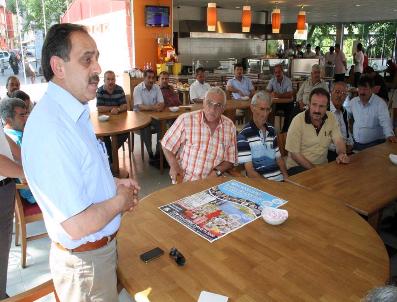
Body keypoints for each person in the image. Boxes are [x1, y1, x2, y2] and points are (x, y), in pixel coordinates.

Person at [22, 23, 140, 302]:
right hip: (85, 267)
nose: (98, 68)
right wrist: (121, 199)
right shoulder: (52, 129)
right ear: (58, 66)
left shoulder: (73, 113)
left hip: (96, 256)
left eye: (97, 58)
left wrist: (113, 183)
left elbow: (82, 175)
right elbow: (77, 223)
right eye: (87, 59)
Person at [161, 87, 237, 182]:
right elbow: (166, 144)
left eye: (218, 105)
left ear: (224, 108)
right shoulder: (186, 120)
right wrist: (174, 165)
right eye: (209, 103)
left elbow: (230, 159)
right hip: (187, 181)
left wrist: (216, 172)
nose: (213, 109)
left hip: (213, 182)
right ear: (203, 103)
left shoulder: (229, 126)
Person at [286, 87, 349, 175]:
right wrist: (315, 170)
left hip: (322, 167)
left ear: (327, 107)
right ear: (309, 104)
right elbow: (294, 154)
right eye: (314, 105)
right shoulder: (298, 121)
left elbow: (338, 140)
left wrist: (342, 154)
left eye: (321, 106)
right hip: (298, 168)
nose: (317, 110)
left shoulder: (331, 117)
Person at [237, 91, 288, 181]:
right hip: (262, 185)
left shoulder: (272, 130)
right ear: (252, 108)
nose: (265, 114)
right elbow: (250, 171)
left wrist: (286, 178)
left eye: (268, 109)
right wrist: (271, 186)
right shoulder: (243, 135)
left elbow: (279, 159)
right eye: (262, 109)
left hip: (280, 181)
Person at [0, 98, 36, 204]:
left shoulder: (9, 136)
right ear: (8, 119)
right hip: (31, 192)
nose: (26, 119)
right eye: (21, 115)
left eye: (26, 114)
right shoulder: (15, 138)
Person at [349, 75, 396, 150]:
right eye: (360, 89)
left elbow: (385, 122)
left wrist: (389, 135)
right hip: (356, 144)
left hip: (375, 144)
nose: (361, 92)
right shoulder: (353, 102)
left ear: (372, 89)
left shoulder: (380, 103)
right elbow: (346, 115)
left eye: (365, 89)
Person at [96, 70, 128, 164]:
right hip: (104, 122)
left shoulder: (119, 89)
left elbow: (125, 106)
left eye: (112, 79)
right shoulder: (100, 90)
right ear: (104, 80)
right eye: (108, 79)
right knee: (104, 136)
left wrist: (118, 110)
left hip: (119, 121)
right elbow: (100, 108)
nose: (111, 82)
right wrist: (113, 108)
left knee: (125, 133)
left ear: (115, 80)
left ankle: (111, 154)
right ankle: (112, 158)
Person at [133, 69, 164, 162]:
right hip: (140, 116)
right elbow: (140, 107)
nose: (151, 80)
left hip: (154, 116)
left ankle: (158, 152)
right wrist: (154, 107)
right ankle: (150, 153)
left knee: (163, 126)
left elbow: (162, 103)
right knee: (145, 127)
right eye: (149, 77)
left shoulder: (156, 87)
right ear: (144, 78)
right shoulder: (137, 89)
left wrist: (155, 107)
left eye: (153, 78)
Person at [328, 82, 353, 161]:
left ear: (346, 97)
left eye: (343, 93)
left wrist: (350, 144)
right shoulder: (325, 110)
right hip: (330, 152)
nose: (340, 96)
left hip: (345, 151)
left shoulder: (344, 111)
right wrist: (341, 148)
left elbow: (347, 131)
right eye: (337, 92)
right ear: (331, 93)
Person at [266, 64, 294, 132]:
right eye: (276, 72)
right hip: (276, 103)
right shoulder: (272, 80)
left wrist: (278, 95)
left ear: (282, 72)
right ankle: (270, 129)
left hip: (286, 103)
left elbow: (290, 94)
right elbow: (267, 91)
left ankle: (285, 131)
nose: (277, 74)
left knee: (290, 109)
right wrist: (270, 93)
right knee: (268, 109)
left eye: (279, 72)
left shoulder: (288, 81)